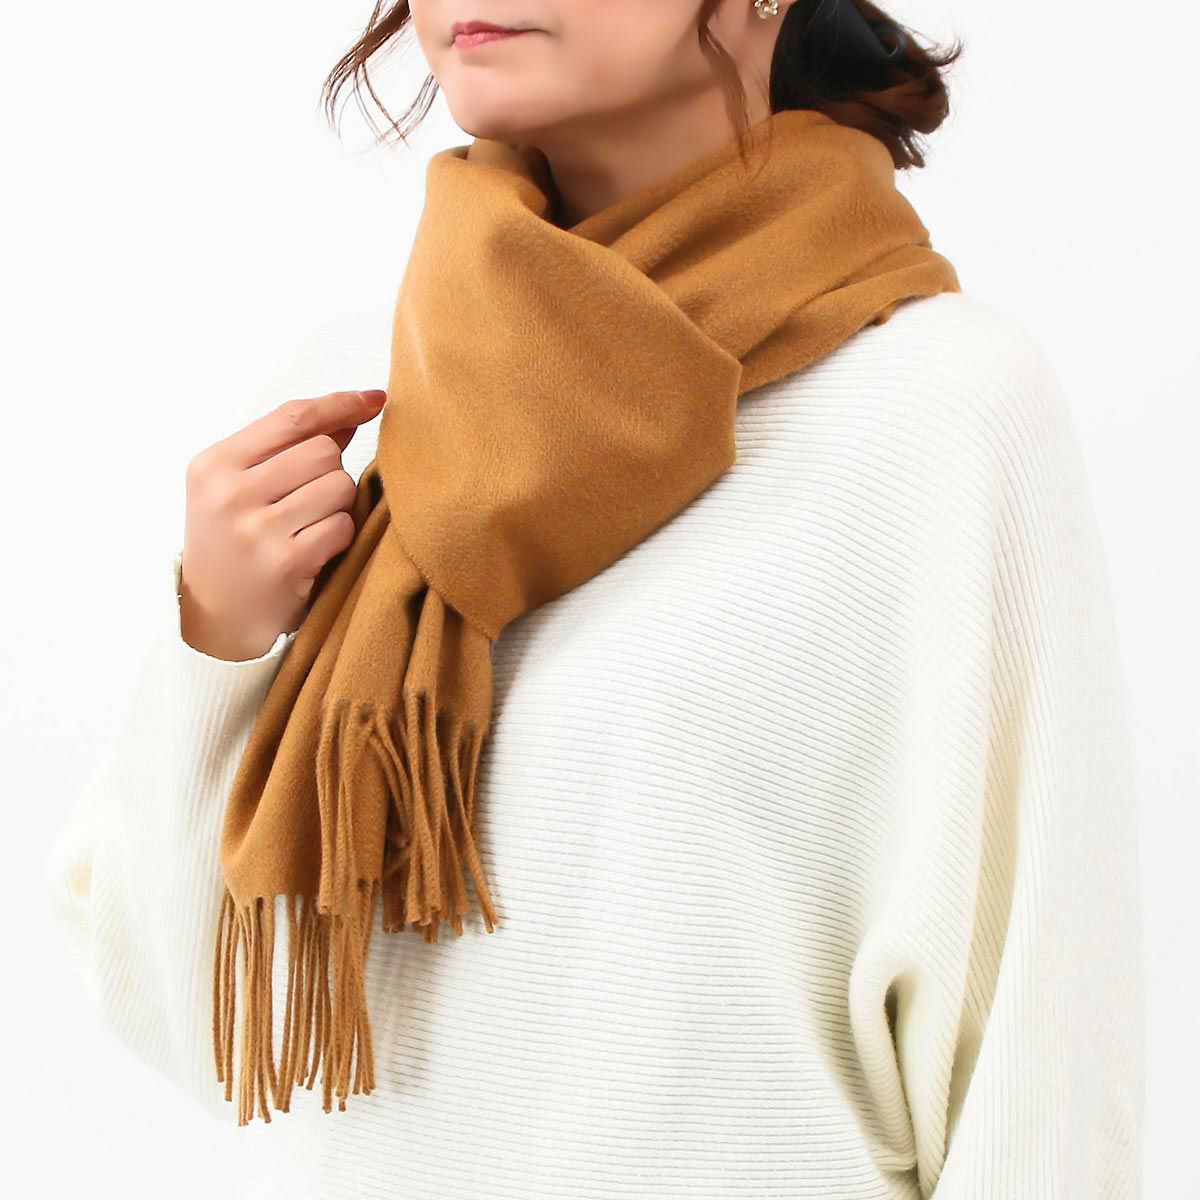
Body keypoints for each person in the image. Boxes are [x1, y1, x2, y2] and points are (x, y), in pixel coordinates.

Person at [43, 2, 1146, 1197]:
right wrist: (218, 640)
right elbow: (195, 1029)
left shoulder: (938, 409)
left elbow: (1041, 1083)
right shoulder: (359, 407)